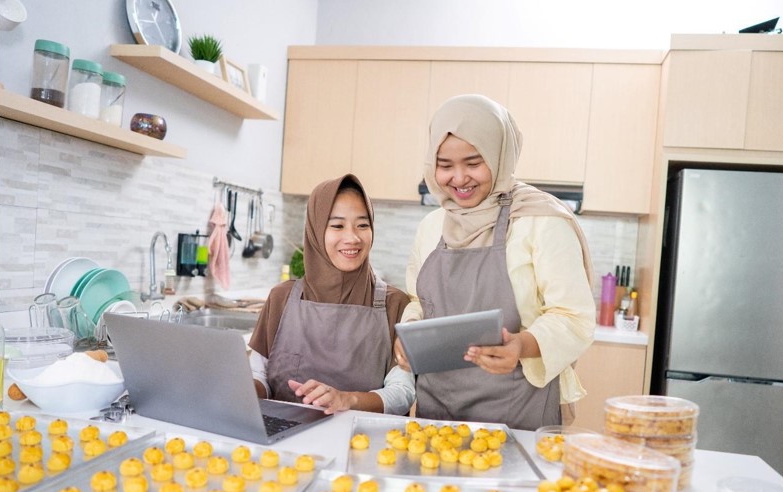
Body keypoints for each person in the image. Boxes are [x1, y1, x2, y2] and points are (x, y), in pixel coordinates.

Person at [394, 94, 596, 430]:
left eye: (473, 163)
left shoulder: (541, 220)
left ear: (500, 155)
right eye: (445, 165)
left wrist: (522, 345)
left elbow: (574, 317)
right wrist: (409, 332)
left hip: (518, 410)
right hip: (437, 410)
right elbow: (420, 301)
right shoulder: (431, 227)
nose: (458, 178)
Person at [248, 174, 414, 415]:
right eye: (337, 225)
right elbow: (258, 374)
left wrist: (348, 400)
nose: (353, 237)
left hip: (361, 442)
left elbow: (402, 392)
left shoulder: (395, 303)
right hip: (282, 440)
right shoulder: (281, 298)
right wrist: (241, 391)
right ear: (316, 231)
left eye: (363, 225)